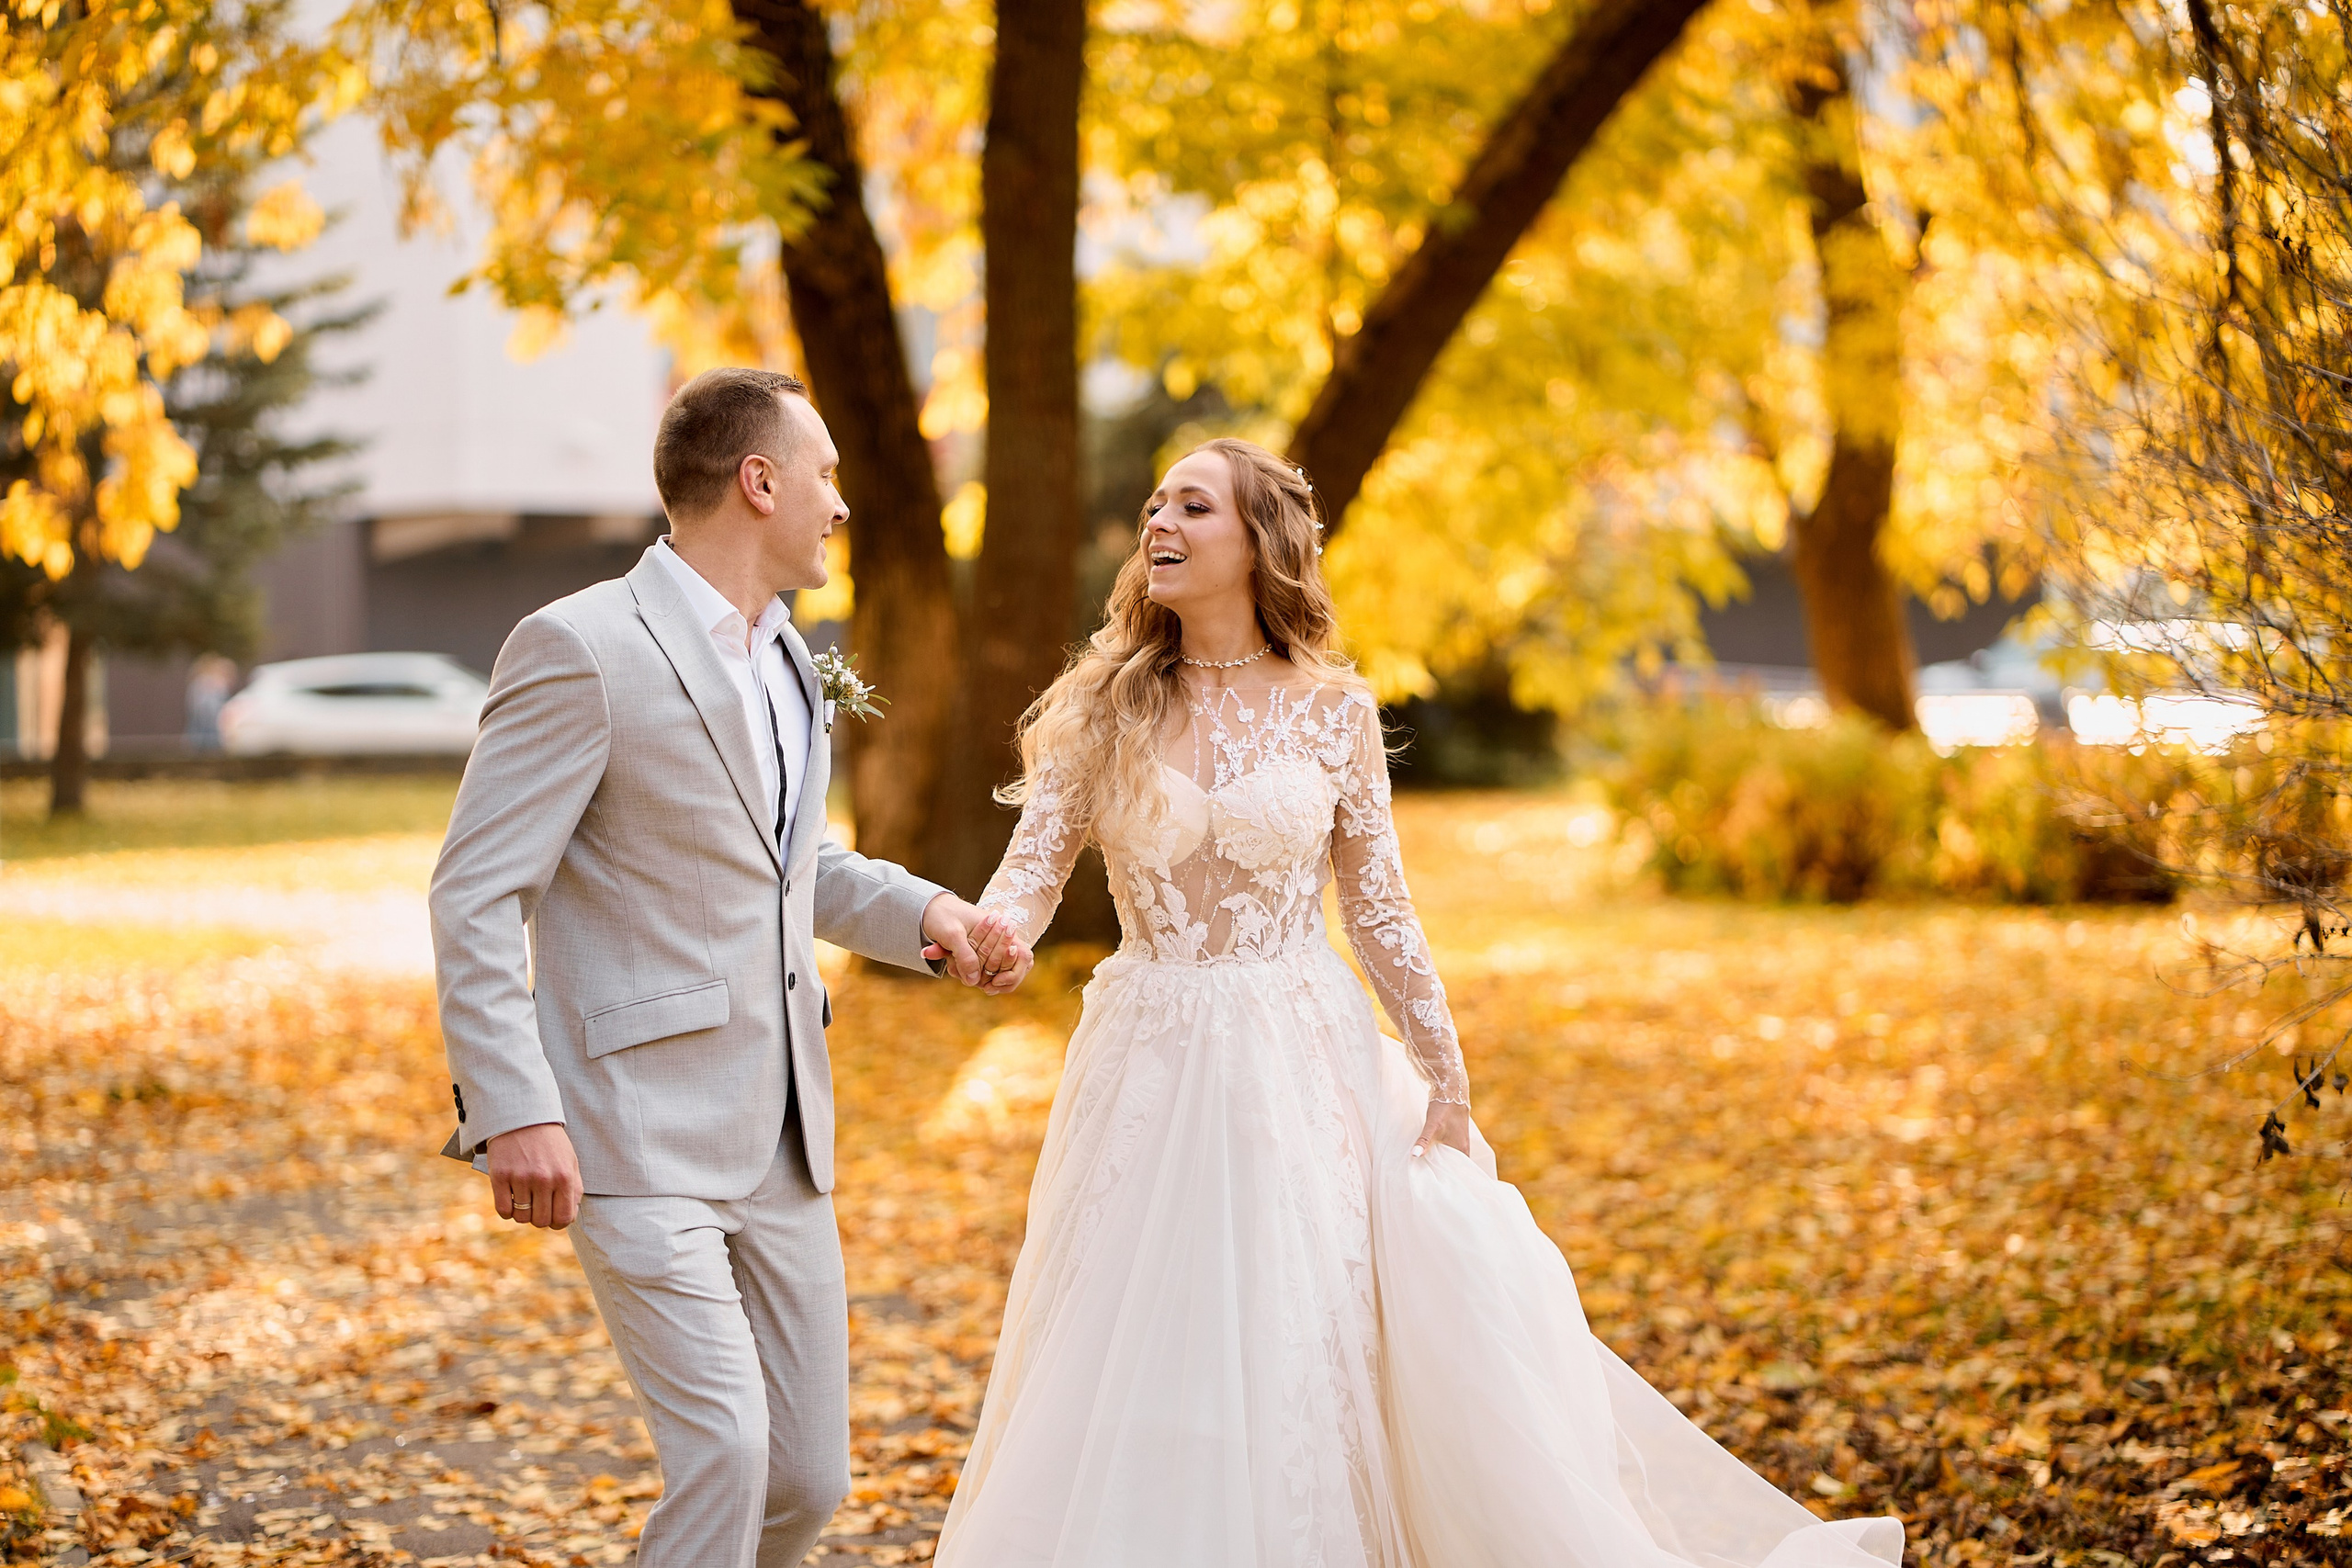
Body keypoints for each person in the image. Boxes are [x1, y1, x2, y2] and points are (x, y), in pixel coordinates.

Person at [940, 437, 1904, 1568]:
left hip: (1299, 1056)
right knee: (1133, 1332)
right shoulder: (1097, 709)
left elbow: (1379, 909)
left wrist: (1442, 1070)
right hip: (1145, 1057)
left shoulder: (1332, 713)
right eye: (1155, 503)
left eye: (1192, 507)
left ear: (1257, 544)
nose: (1159, 521)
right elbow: (1034, 868)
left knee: (1301, 1326)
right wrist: (990, 936)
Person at [427, 367, 1033, 1568]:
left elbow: (793, 863)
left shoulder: (792, 663)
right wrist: (515, 1107)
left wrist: (935, 916)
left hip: (784, 1133)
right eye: (826, 474)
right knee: (725, 1456)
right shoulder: (581, 645)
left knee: (806, 1477)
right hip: (629, 1128)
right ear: (758, 482)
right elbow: (478, 890)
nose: (841, 504)